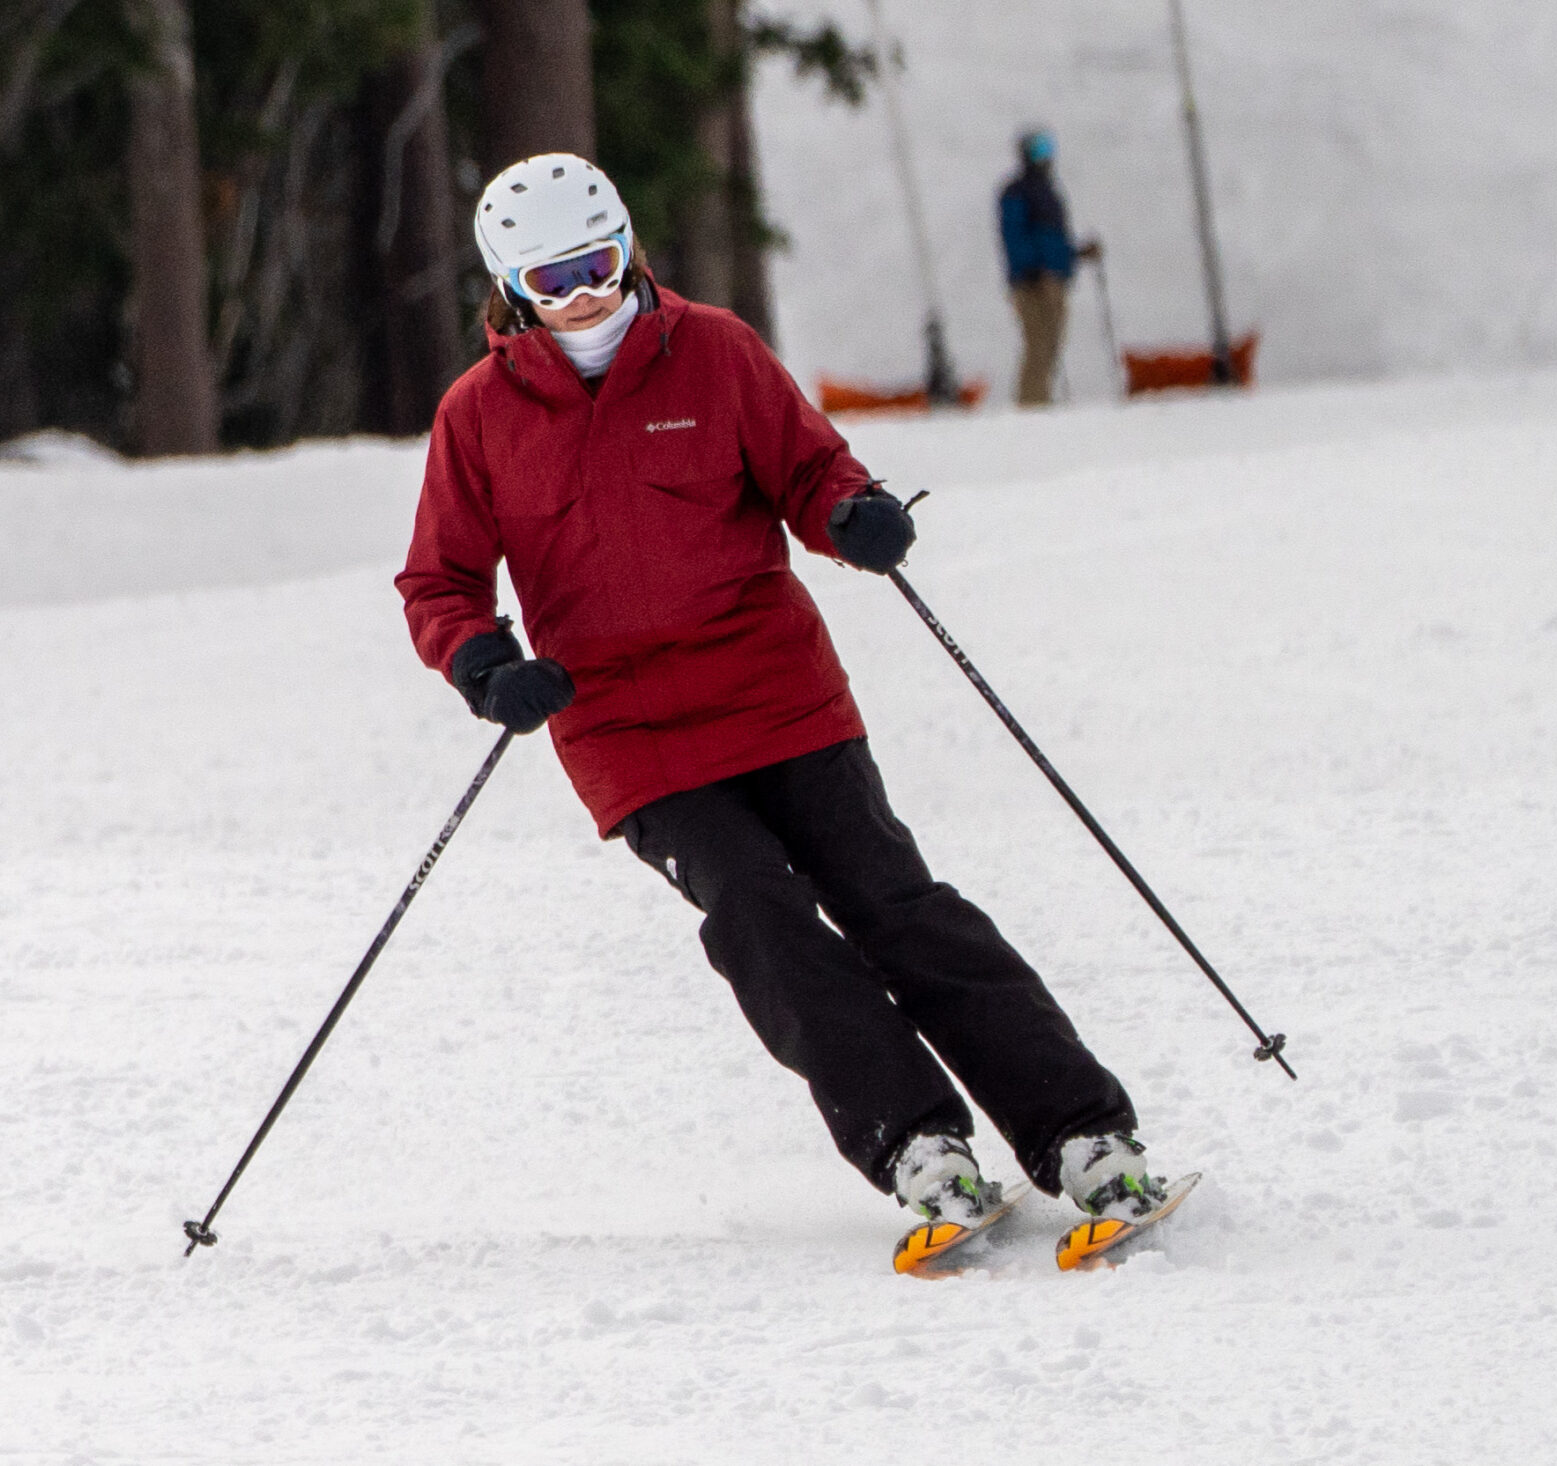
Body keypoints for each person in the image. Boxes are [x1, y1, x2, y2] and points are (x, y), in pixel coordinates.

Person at [397, 153, 1173, 1255]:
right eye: (551, 276)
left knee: (892, 900)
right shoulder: (479, 415)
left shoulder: (712, 350)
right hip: (630, 731)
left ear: (628, 248)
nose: (582, 295)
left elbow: (809, 467)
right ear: (509, 285)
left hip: (776, 690)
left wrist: (851, 513)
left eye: (598, 263)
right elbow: (439, 579)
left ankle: (1082, 1133)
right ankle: (917, 1145)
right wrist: (484, 663)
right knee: (758, 914)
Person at [997, 129, 1101, 407]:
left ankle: (1040, 399)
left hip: (1054, 279)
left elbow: (1053, 240)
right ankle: (1031, 402)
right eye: (1038, 150)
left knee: (1052, 342)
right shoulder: (1017, 192)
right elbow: (1013, 235)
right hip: (1033, 283)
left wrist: (1076, 254)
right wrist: (1029, 268)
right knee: (1038, 342)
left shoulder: (1048, 193)